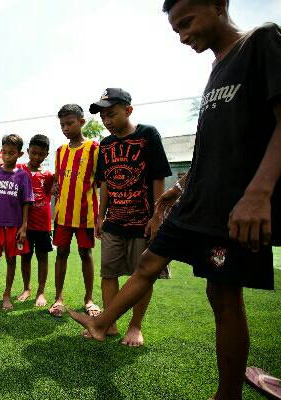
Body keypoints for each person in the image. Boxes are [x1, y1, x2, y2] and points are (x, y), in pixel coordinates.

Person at [69, 1, 281, 399]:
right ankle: (102, 322)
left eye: (187, 23)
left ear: (218, 5)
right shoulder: (216, 69)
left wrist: (258, 193)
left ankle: (226, 394)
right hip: (197, 201)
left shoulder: (263, 41)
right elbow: (215, 143)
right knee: (147, 262)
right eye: (176, 29)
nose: (182, 36)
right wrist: (181, 188)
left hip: (234, 205)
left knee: (223, 294)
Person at [89, 88, 172, 346]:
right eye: (103, 117)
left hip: (142, 221)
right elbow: (104, 183)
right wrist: (100, 216)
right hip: (114, 220)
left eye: (111, 114)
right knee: (108, 273)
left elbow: (158, 176)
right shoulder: (105, 144)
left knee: (141, 275)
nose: (107, 121)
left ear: (129, 110)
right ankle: (109, 323)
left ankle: (135, 326)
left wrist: (157, 215)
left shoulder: (148, 135)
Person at [49, 104, 100, 318]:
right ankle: (58, 299)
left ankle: (89, 299)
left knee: (85, 254)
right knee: (61, 254)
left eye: (69, 123)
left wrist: (101, 214)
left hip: (86, 214)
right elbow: (58, 181)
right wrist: (54, 187)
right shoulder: (60, 152)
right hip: (62, 215)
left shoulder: (94, 148)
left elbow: (100, 181)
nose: (65, 128)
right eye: (62, 124)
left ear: (81, 122)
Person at [0, 134, 34, 313]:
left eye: (11, 153)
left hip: (13, 225)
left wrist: (24, 226)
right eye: (4, 152)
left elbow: (27, 201)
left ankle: (6, 294)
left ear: (19, 154)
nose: (6, 155)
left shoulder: (23, 176)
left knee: (11, 260)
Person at [16, 134, 54, 307]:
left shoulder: (48, 175)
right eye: (34, 153)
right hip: (23, 224)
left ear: (46, 155)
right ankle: (26, 288)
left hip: (42, 223)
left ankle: (41, 291)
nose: (37, 157)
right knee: (25, 256)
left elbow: (50, 192)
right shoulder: (18, 169)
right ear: (28, 152)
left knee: (42, 257)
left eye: (41, 154)